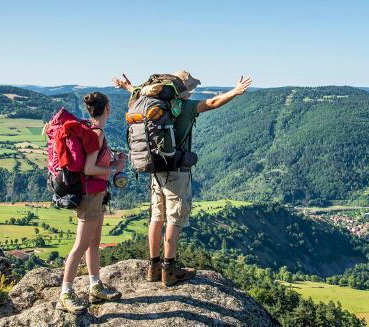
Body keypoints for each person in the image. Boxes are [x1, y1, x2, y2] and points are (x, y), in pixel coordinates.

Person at [113, 71, 251, 286]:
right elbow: (213, 102)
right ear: (184, 91)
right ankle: (169, 270)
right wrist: (235, 91)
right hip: (176, 171)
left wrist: (128, 87)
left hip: (154, 168)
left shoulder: (152, 104)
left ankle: (153, 266)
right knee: (174, 219)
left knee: (156, 217)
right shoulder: (184, 108)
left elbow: (138, 93)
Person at [59, 92, 126, 313]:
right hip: (89, 196)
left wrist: (113, 162)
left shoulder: (96, 133)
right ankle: (66, 293)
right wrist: (114, 168)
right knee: (80, 245)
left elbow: (95, 163)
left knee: (94, 241)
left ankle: (95, 286)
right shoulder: (96, 134)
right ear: (107, 108)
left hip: (96, 196)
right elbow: (89, 169)